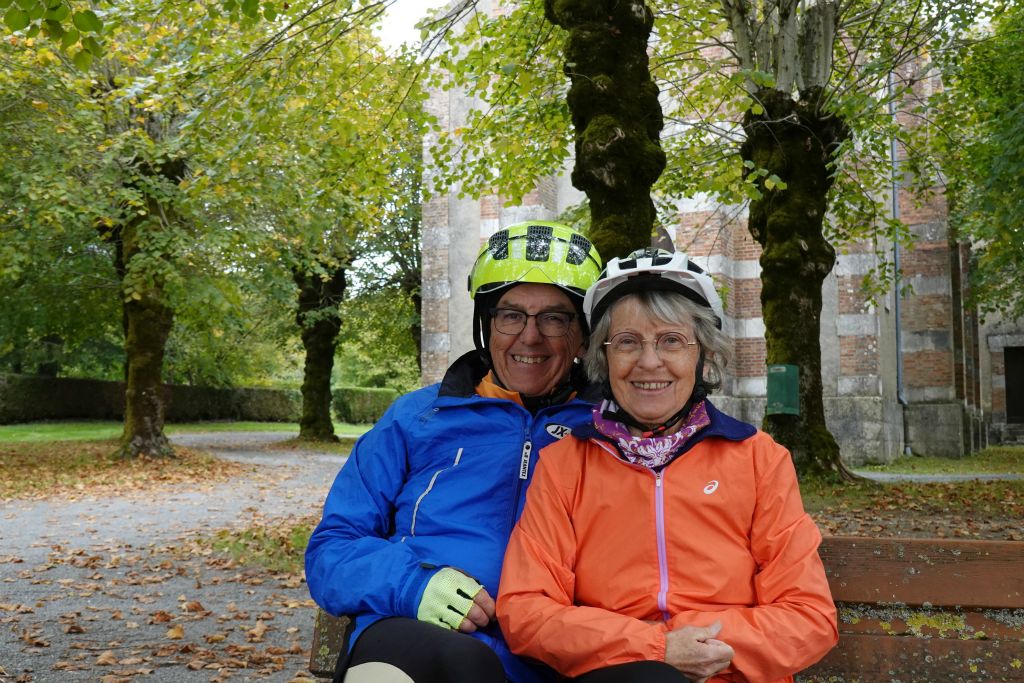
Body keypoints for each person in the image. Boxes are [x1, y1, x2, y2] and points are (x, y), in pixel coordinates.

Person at [496, 248, 838, 683]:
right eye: (627, 342)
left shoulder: (759, 459)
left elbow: (809, 618)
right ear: (604, 360)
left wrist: (690, 648)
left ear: (702, 356)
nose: (649, 361)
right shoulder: (565, 465)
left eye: (671, 341)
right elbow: (527, 610)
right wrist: (658, 651)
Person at [305, 221, 604, 683]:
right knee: (456, 668)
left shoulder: (610, 427)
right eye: (510, 314)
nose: (530, 336)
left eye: (554, 317)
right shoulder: (416, 418)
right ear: (486, 324)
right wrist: (411, 584)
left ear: (582, 334)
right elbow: (332, 548)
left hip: (558, 645)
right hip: (418, 635)